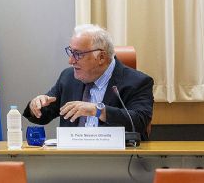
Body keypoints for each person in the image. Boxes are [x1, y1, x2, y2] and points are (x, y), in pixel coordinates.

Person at [24, 24, 154, 140]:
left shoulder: (138, 82)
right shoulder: (68, 77)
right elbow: (43, 116)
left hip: (118, 161)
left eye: (78, 54)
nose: (71, 61)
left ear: (101, 57)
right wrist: (35, 106)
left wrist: (97, 110)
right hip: (72, 159)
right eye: (71, 52)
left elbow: (138, 122)